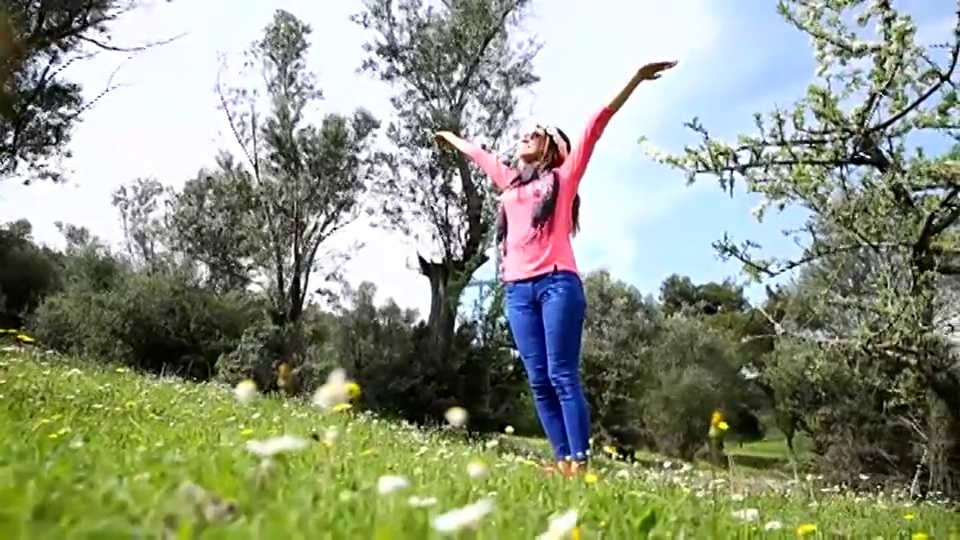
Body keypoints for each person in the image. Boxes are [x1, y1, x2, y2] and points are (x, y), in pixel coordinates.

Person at [435, 60, 677, 476]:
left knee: (562, 375)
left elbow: (596, 121)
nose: (524, 137)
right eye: (524, 133)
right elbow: (481, 156)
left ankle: (579, 465)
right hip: (517, 291)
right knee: (539, 380)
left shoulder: (564, 178)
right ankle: (563, 461)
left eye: (535, 133)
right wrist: (452, 138)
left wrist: (634, 77)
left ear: (553, 148)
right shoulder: (511, 183)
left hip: (556, 284)